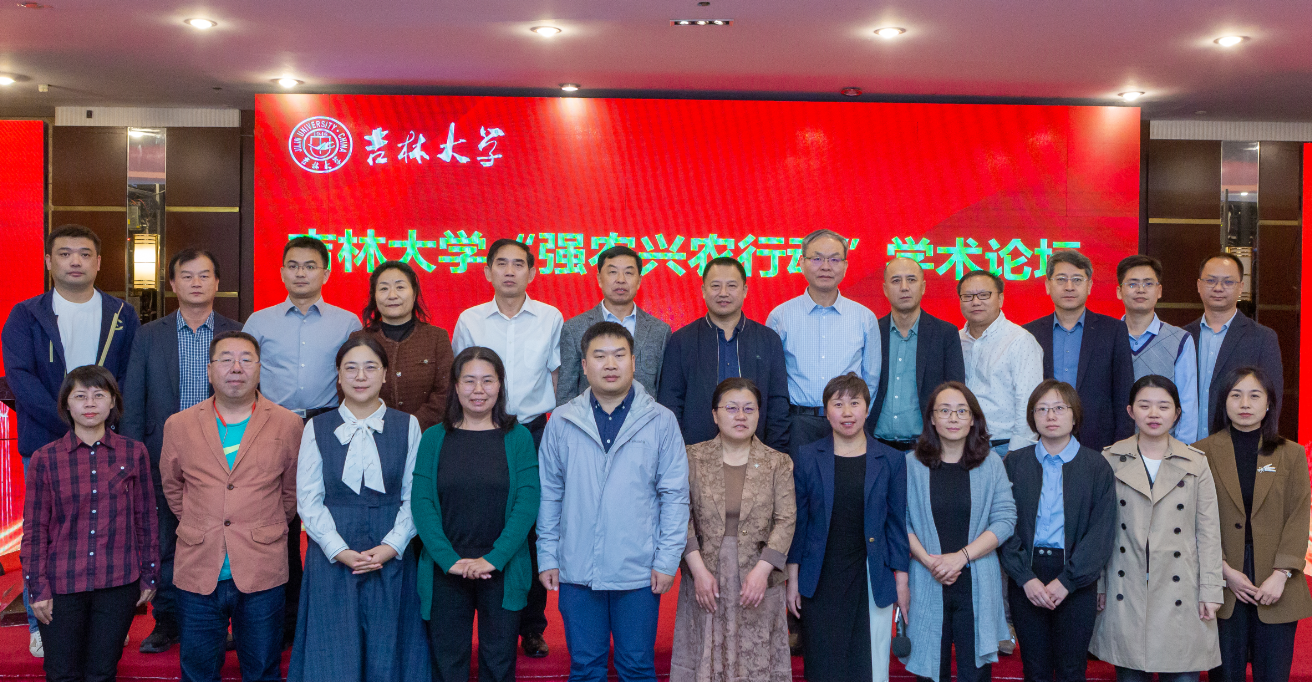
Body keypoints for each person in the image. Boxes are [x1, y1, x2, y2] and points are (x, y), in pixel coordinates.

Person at [3, 223, 140, 657]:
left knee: (107, 531)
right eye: (64, 254)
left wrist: (103, 423)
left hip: (109, 442)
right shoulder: (26, 315)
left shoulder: (122, 314)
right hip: (46, 443)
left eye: (84, 253)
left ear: (98, 262)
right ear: (49, 261)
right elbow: (20, 378)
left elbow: (129, 376)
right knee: (44, 532)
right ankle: (39, 622)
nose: (75, 261)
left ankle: (103, 620)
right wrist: (70, 424)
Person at [537, 321, 689, 682]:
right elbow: (550, 493)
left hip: (637, 569)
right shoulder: (562, 420)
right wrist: (547, 555)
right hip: (577, 566)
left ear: (633, 362)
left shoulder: (661, 420)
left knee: (636, 667)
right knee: (585, 668)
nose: (610, 364)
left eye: (619, 355)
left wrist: (667, 560)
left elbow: (674, 495)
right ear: (584, 365)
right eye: (599, 356)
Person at [159, 331, 304, 682]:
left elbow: (292, 491)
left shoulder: (288, 424)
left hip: (262, 568)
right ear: (210, 371)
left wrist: (263, 524)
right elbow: (173, 486)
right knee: (198, 672)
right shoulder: (179, 425)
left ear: (259, 368)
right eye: (225, 359)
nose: (235, 367)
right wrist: (201, 519)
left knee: (262, 671)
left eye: (245, 359)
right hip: (198, 567)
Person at [120, 248, 242, 654]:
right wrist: (135, 457)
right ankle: (167, 622)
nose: (196, 283)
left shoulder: (235, 333)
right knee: (165, 542)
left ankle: (222, 622)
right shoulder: (149, 334)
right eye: (186, 276)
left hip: (224, 457)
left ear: (217, 283)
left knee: (221, 539)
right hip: (162, 455)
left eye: (204, 275)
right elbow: (133, 400)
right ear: (172, 284)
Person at [288, 336, 429, 682]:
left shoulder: (407, 424)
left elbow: (415, 495)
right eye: (350, 368)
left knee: (389, 651)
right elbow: (308, 498)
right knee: (333, 655)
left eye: (370, 367)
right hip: (333, 551)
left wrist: (392, 546)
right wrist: (338, 550)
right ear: (338, 375)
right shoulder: (317, 427)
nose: (360, 376)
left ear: (385, 374)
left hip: (391, 547)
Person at [243, 235, 362, 642]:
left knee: (331, 521)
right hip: (272, 427)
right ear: (281, 272)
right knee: (279, 524)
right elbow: (246, 375)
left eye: (310, 266)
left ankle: (329, 618)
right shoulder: (259, 321)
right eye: (293, 265)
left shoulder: (347, 322)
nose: (301, 273)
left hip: (328, 427)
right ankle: (284, 622)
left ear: (325, 273)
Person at [451, 237, 563, 658]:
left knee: (530, 529)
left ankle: (531, 627)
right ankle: (481, 622)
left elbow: (557, 377)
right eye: (502, 263)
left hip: (531, 433)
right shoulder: (470, 319)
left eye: (519, 264)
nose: (510, 271)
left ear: (532, 272)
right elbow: (462, 378)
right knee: (485, 523)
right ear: (487, 271)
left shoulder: (550, 317)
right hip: (481, 431)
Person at [21, 365, 159, 682]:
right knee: (61, 673)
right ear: (66, 405)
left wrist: (151, 573)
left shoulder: (134, 452)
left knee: (102, 672)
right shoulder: (45, 458)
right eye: (80, 396)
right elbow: (34, 530)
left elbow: (146, 518)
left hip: (117, 582)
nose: (90, 403)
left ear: (113, 402)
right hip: (61, 583)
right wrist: (36, 587)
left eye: (99, 395)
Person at [412, 346, 541, 682]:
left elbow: (527, 503)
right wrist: (448, 560)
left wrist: (493, 559)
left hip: (503, 566)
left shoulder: (518, 437)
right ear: (456, 386)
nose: (478, 389)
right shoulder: (433, 438)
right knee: (446, 665)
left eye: (488, 380)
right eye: (469, 381)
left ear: (500, 385)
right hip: (445, 568)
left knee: (498, 665)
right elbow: (421, 503)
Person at [1090, 374, 1223, 682]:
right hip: (1125, 586)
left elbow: (1208, 531)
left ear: (1177, 413)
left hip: (1181, 588)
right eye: (1144, 405)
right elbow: (1098, 530)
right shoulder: (1109, 459)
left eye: (1163, 406)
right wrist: (1099, 585)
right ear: (1130, 410)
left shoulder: (1195, 462)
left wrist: (1211, 589)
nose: (1153, 414)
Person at [671, 377, 796, 682]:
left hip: (758, 576)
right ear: (715, 415)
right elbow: (679, 514)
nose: (741, 416)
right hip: (705, 574)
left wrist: (763, 570)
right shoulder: (691, 457)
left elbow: (786, 520)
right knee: (704, 654)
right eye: (731, 408)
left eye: (749, 409)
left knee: (755, 660)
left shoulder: (778, 463)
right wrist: (698, 571)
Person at [786, 373, 909, 682]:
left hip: (871, 574)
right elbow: (799, 523)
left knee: (870, 666)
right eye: (837, 404)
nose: (847, 412)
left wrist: (902, 581)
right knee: (823, 666)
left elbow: (896, 525)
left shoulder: (891, 460)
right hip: (820, 577)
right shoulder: (808, 456)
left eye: (854, 403)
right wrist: (792, 579)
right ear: (826, 411)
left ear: (867, 408)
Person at [1194, 367, 1312, 682]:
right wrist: (1223, 571)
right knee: (1225, 674)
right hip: (1222, 579)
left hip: (1276, 582)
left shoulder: (1291, 453)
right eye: (1236, 395)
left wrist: (1282, 573)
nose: (1245, 403)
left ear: (1269, 403)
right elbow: (1193, 518)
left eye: (1254, 395)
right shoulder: (1200, 453)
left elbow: (1298, 516)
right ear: (1224, 402)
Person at [999, 379, 1116, 682]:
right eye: (1042, 409)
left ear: (1074, 416)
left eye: (1059, 408)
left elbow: (1101, 532)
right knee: (1034, 669)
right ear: (1032, 417)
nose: (1050, 416)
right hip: (1027, 575)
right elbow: (1003, 524)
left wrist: (1068, 581)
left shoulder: (1096, 466)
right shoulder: (1014, 463)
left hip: (1076, 578)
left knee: (1072, 670)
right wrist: (1024, 578)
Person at [903, 381, 1017, 682]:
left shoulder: (991, 463)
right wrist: (930, 562)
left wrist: (960, 558)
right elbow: (901, 522)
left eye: (961, 411)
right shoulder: (911, 465)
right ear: (931, 418)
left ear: (973, 419)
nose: (953, 418)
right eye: (944, 411)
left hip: (976, 582)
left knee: (975, 675)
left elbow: (1005, 519)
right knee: (929, 674)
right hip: (927, 580)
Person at [659, 256, 790, 451]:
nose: (723, 293)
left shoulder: (768, 340)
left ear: (744, 290)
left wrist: (773, 453)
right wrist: (678, 452)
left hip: (757, 454)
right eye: (715, 286)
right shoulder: (681, 340)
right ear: (703, 290)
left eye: (731, 286)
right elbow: (671, 403)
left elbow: (778, 402)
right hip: (695, 454)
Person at [767, 229, 879, 454]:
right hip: (798, 424)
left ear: (845, 266)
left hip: (848, 425)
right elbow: (772, 378)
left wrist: (856, 417)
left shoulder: (864, 317)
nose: (826, 266)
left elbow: (871, 379)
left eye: (834, 259)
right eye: (817, 258)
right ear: (801, 263)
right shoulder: (780, 316)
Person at [1023, 250, 1135, 451]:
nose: (1069, 287)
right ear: (1048, 285)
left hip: (1099, 441)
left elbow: (1123, 392)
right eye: (1061, 279)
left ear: (1089, 286)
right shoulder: (1029, 333)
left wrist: (1121, 447)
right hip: (1042, 439)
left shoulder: (1113, 330)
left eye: (1077, 279)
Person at [870, 256, 966, 452]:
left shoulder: (945, 334)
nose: (904, 287)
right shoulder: (871, 332)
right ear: (885, 289)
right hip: (876, 446)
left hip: (927, 448)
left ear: (923, 287)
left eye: (911, 280)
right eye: (896, 280)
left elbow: (956, 391)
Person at [1184, 253, 1283, 442]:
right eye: (1211, 280)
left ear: (1241, 287)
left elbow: (1272, 400)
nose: (1218, 288)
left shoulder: (1262, 338)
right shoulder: (1182, 336)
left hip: (1236, 447)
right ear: (1199, 285)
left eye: (1228, 282)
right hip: (1186, 448)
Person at [348, 259, 453, 430]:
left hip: (426, 434)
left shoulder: (436, 338)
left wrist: (410, 426)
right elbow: (347, 388)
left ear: (414, 293)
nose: (392, 295)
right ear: (374, 296)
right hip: (370, 433)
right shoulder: (359, 339)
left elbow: (445, 392)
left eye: (400, 287)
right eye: (383, 288)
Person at [558, 245, 671, 404]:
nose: (621, 279)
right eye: (612, 272)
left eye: (629, 273)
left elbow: (664, 391)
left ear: (639, 281)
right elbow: (566, 392)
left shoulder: (660, 331)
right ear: (599, 279)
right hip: (590, 418)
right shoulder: (574, 328)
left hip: (645, 417)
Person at [957, 270, 1043, 456]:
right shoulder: (956, 340)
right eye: (968, 296)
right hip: (959, 445)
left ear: (1001, 299)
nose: (975, 302)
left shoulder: (1020, 340)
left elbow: (1028, 401)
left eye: (984, 295)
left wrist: (1017, 453)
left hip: (1003, 446)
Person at [1115, 255, 1198, 442]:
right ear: (1119, 291)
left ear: (1159, 290)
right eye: (1132, 284)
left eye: (1148, 283)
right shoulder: (1107, 337)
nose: (1141, 290)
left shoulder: (1180, 339)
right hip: (1115, 447)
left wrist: (1183, 450)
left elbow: (1187, 402)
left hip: (1164, 448)